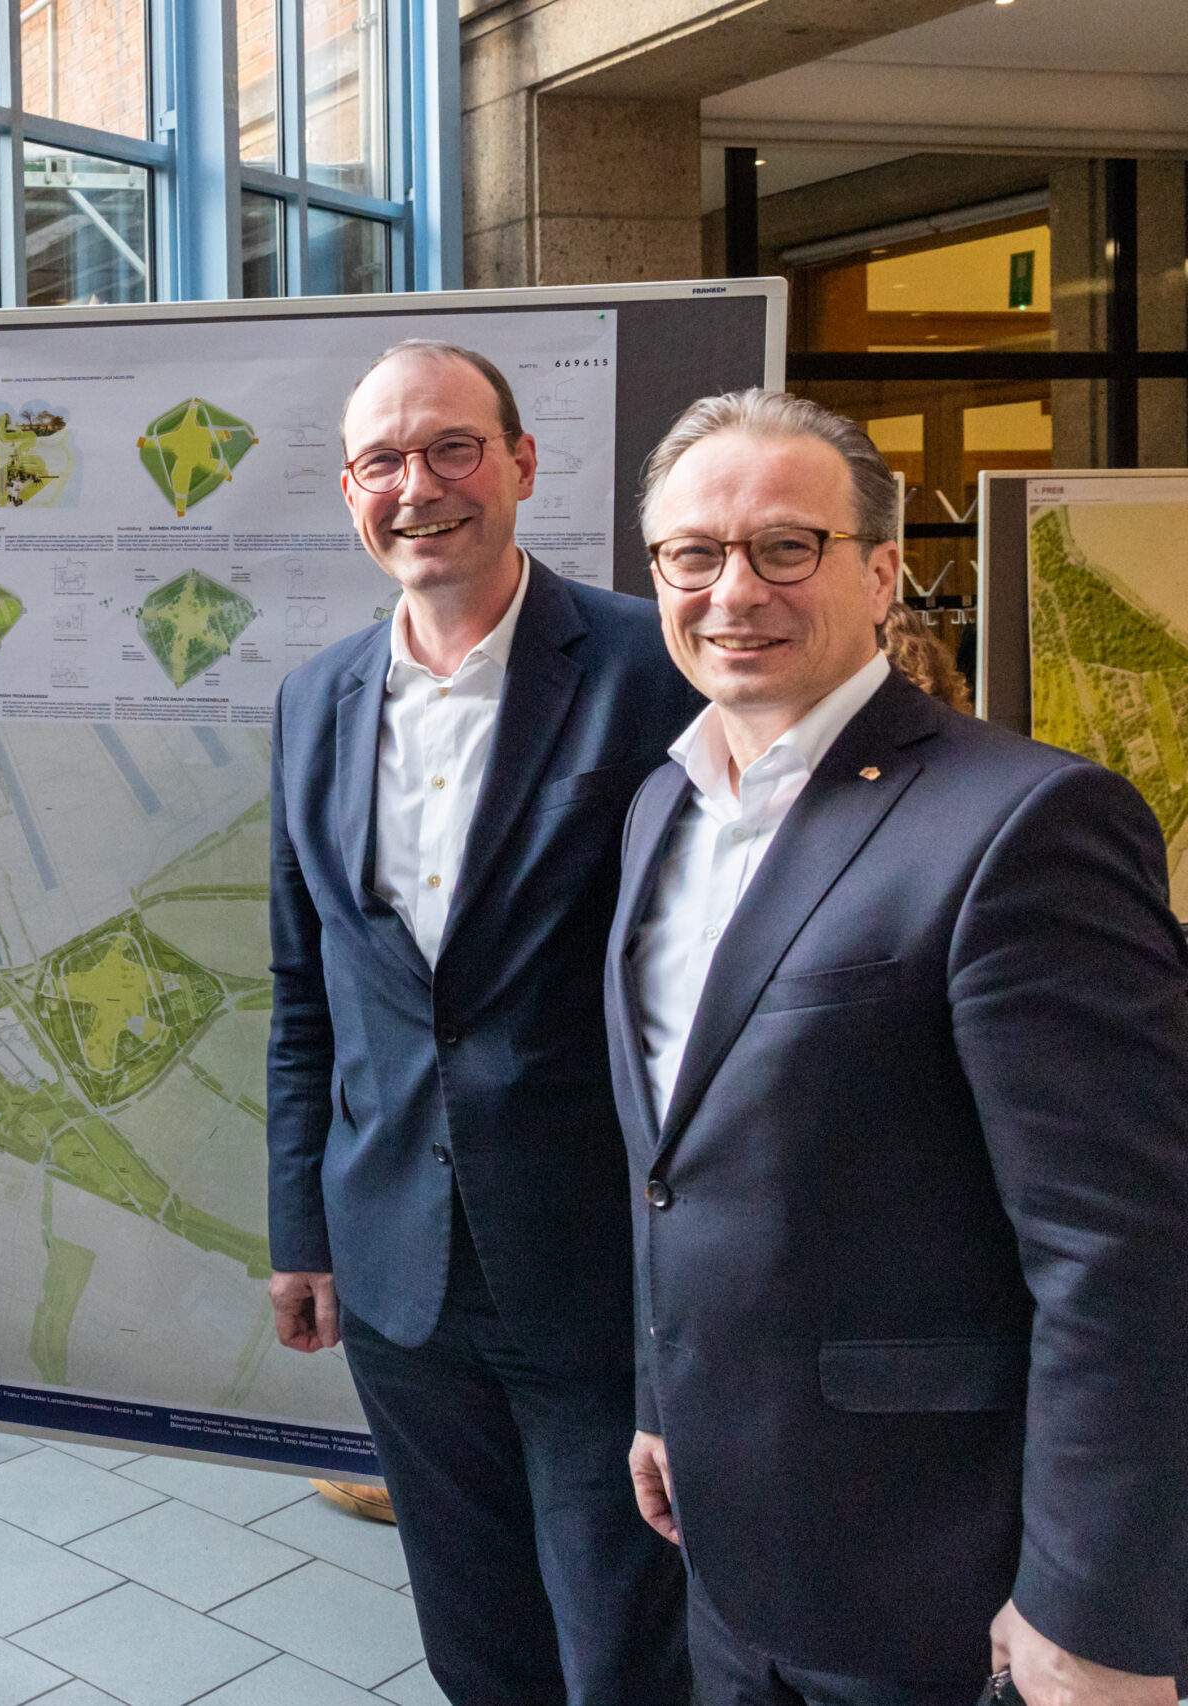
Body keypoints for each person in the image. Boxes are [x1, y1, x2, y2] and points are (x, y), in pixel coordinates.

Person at [611, 388, 1188, 1705]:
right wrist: (662, 1392)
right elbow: (675, 1157)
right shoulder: (662, 805)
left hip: (937, 1575)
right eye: (692, 554)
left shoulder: (1028, 822)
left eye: (784, 547)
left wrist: (1094, 1606)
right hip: (727, 1542)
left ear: (881, 574)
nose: (731, 590)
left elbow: (1127, 1250)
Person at [265, 341, 702, 1703]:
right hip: (398, 1272)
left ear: (519, 462)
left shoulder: (652, 665)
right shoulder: (313, 699)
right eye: (384, 460)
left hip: (595, 1266)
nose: (419, 485)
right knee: (477, 1642)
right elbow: (304, 990)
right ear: (350, 491)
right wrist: (301, 1228)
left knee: (624, 1647)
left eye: (452, 446)